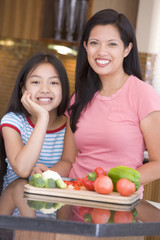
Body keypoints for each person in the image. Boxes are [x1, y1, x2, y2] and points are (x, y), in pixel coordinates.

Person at [32, 9, 160, 196]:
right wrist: (48, 175)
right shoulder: (79, 98)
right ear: (85, 46)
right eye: (94, 43)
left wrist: (111, 186)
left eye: (112, 44)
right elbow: (68, 161)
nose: (101, 51)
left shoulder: (142, 94)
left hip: (119, 204)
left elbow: (158, 164)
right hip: (76, 199)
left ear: (127, 49)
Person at [0, 52, 70, 189]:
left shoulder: (70, 126)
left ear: (63, 88)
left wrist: (45, 176)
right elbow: (22, 170)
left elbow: (68, 163)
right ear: (23, 88)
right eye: (36, 82)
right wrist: (43, 117)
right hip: (15, 206)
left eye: (54, 82)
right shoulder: (12, 122)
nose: (45, 89)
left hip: (56, 207)